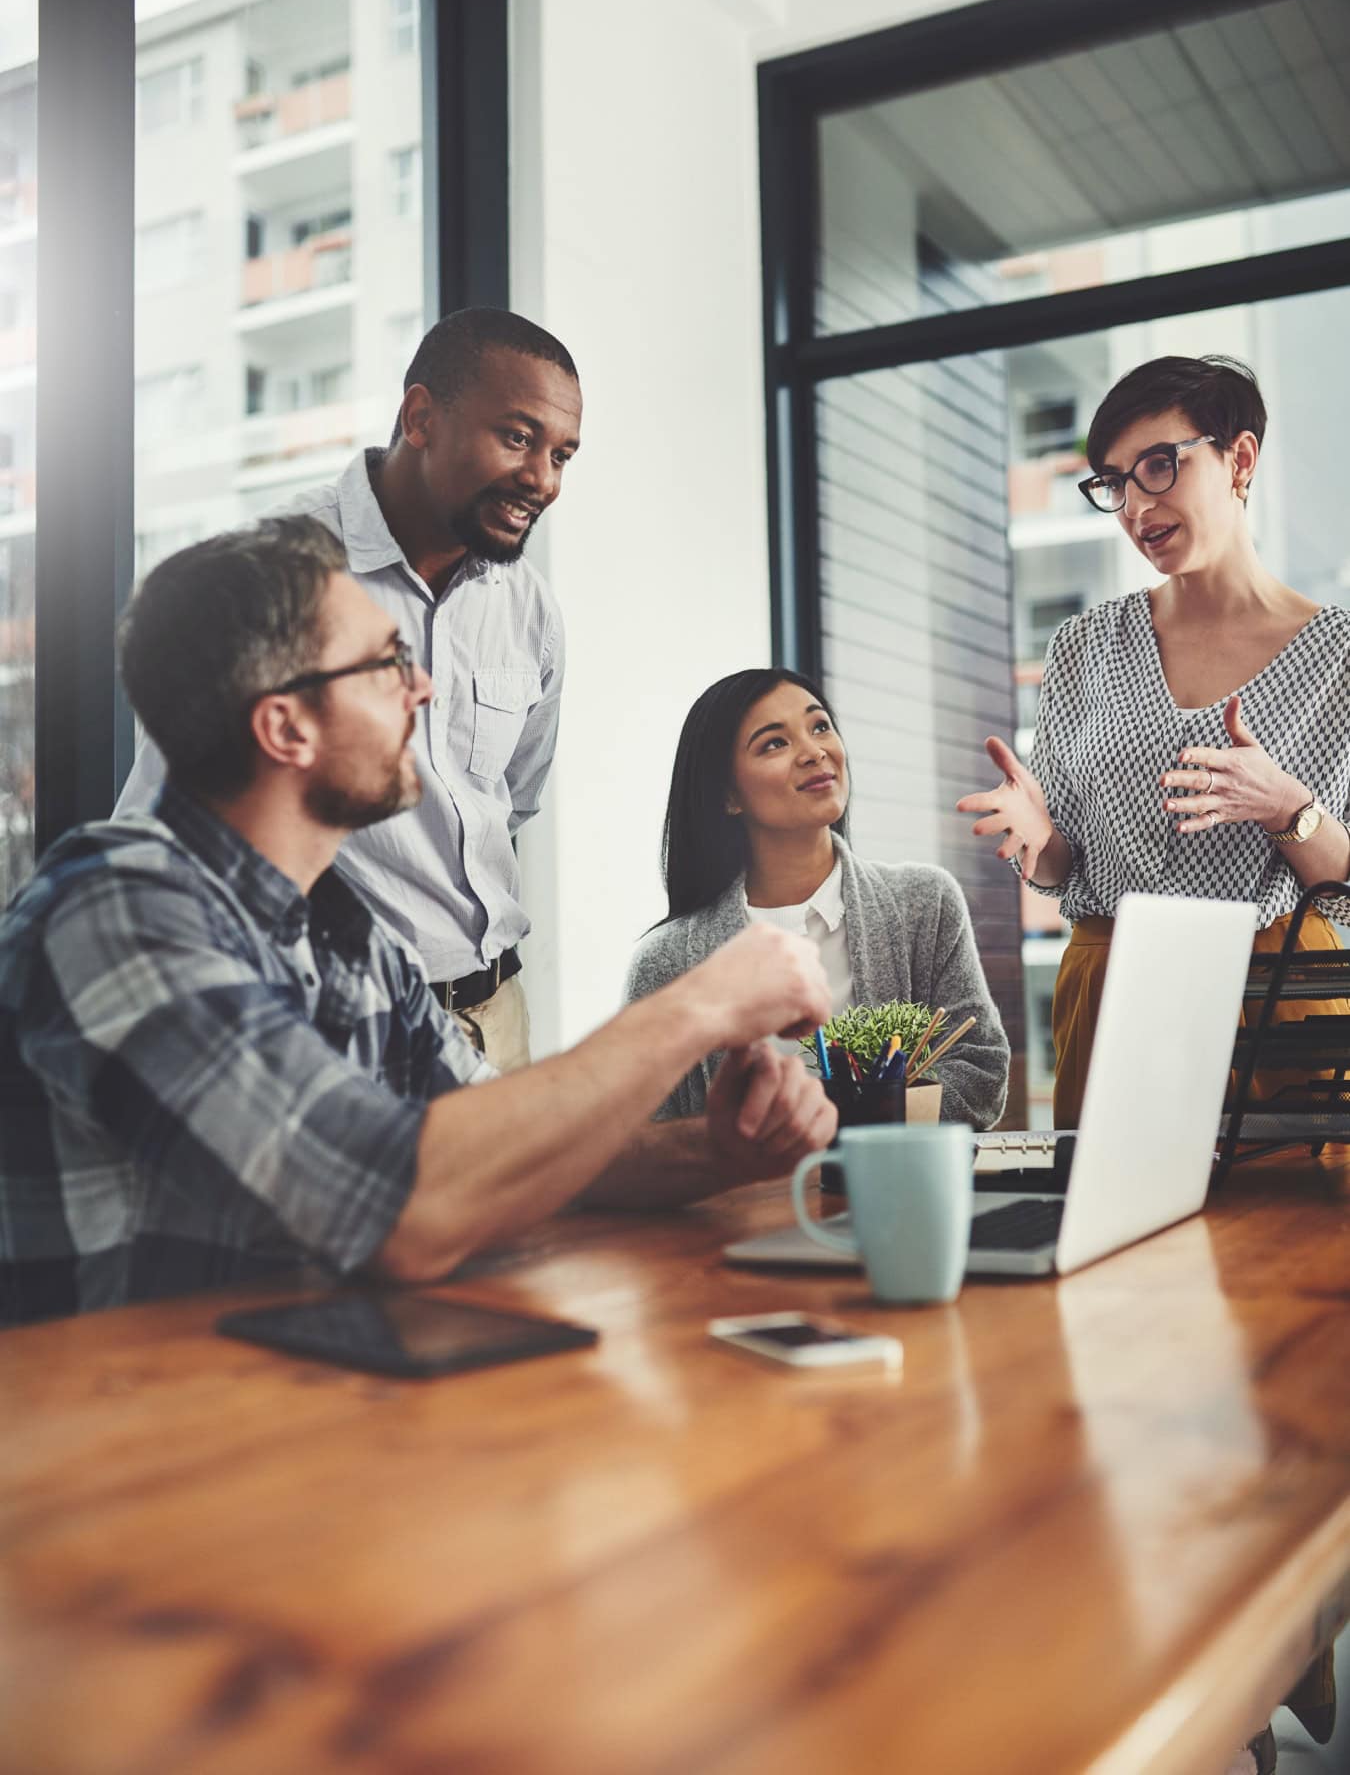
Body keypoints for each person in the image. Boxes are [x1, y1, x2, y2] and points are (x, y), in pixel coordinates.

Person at [0, 521, 836, 1327]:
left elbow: (503, 1145)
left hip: (297, 1404)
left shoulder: (345, 931)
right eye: (389, 662)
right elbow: (402, 1204)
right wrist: (697, 1007)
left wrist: (718, 1154)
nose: (424, 688)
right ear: (285, 726)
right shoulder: (118, 906)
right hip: (119, 1441)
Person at [117, 307, 581, 1073]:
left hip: (498, 1014)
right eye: (518, 437)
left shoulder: (528, 608)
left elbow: (511, 801)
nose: (543, 479)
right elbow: (172, 820)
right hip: (328, 1020)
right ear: (421, 417)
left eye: (562, 453)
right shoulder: (282, 574)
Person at [956, 353, 1350, 1132]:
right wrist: (1039, 841)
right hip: (1115, 992)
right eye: (1115, 482)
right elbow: (1066, 862)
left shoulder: (1340, 656)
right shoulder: (1085, 646)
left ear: (1239, 458)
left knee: (1292, 1250)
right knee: (1114, 1246)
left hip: (1279, 1000)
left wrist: (1287, 808)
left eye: (1160, 467)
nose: (1136, 506)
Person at [623, 668, 1009, 1126]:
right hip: (741, 1199)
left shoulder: (925, 903)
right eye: (774, 743)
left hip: (894, 1192)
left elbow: (981, 1072)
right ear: (729, 795)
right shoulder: (665, 961)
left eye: (820, 726)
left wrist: (849, 1126)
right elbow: (645, 1134)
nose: (813, 752)